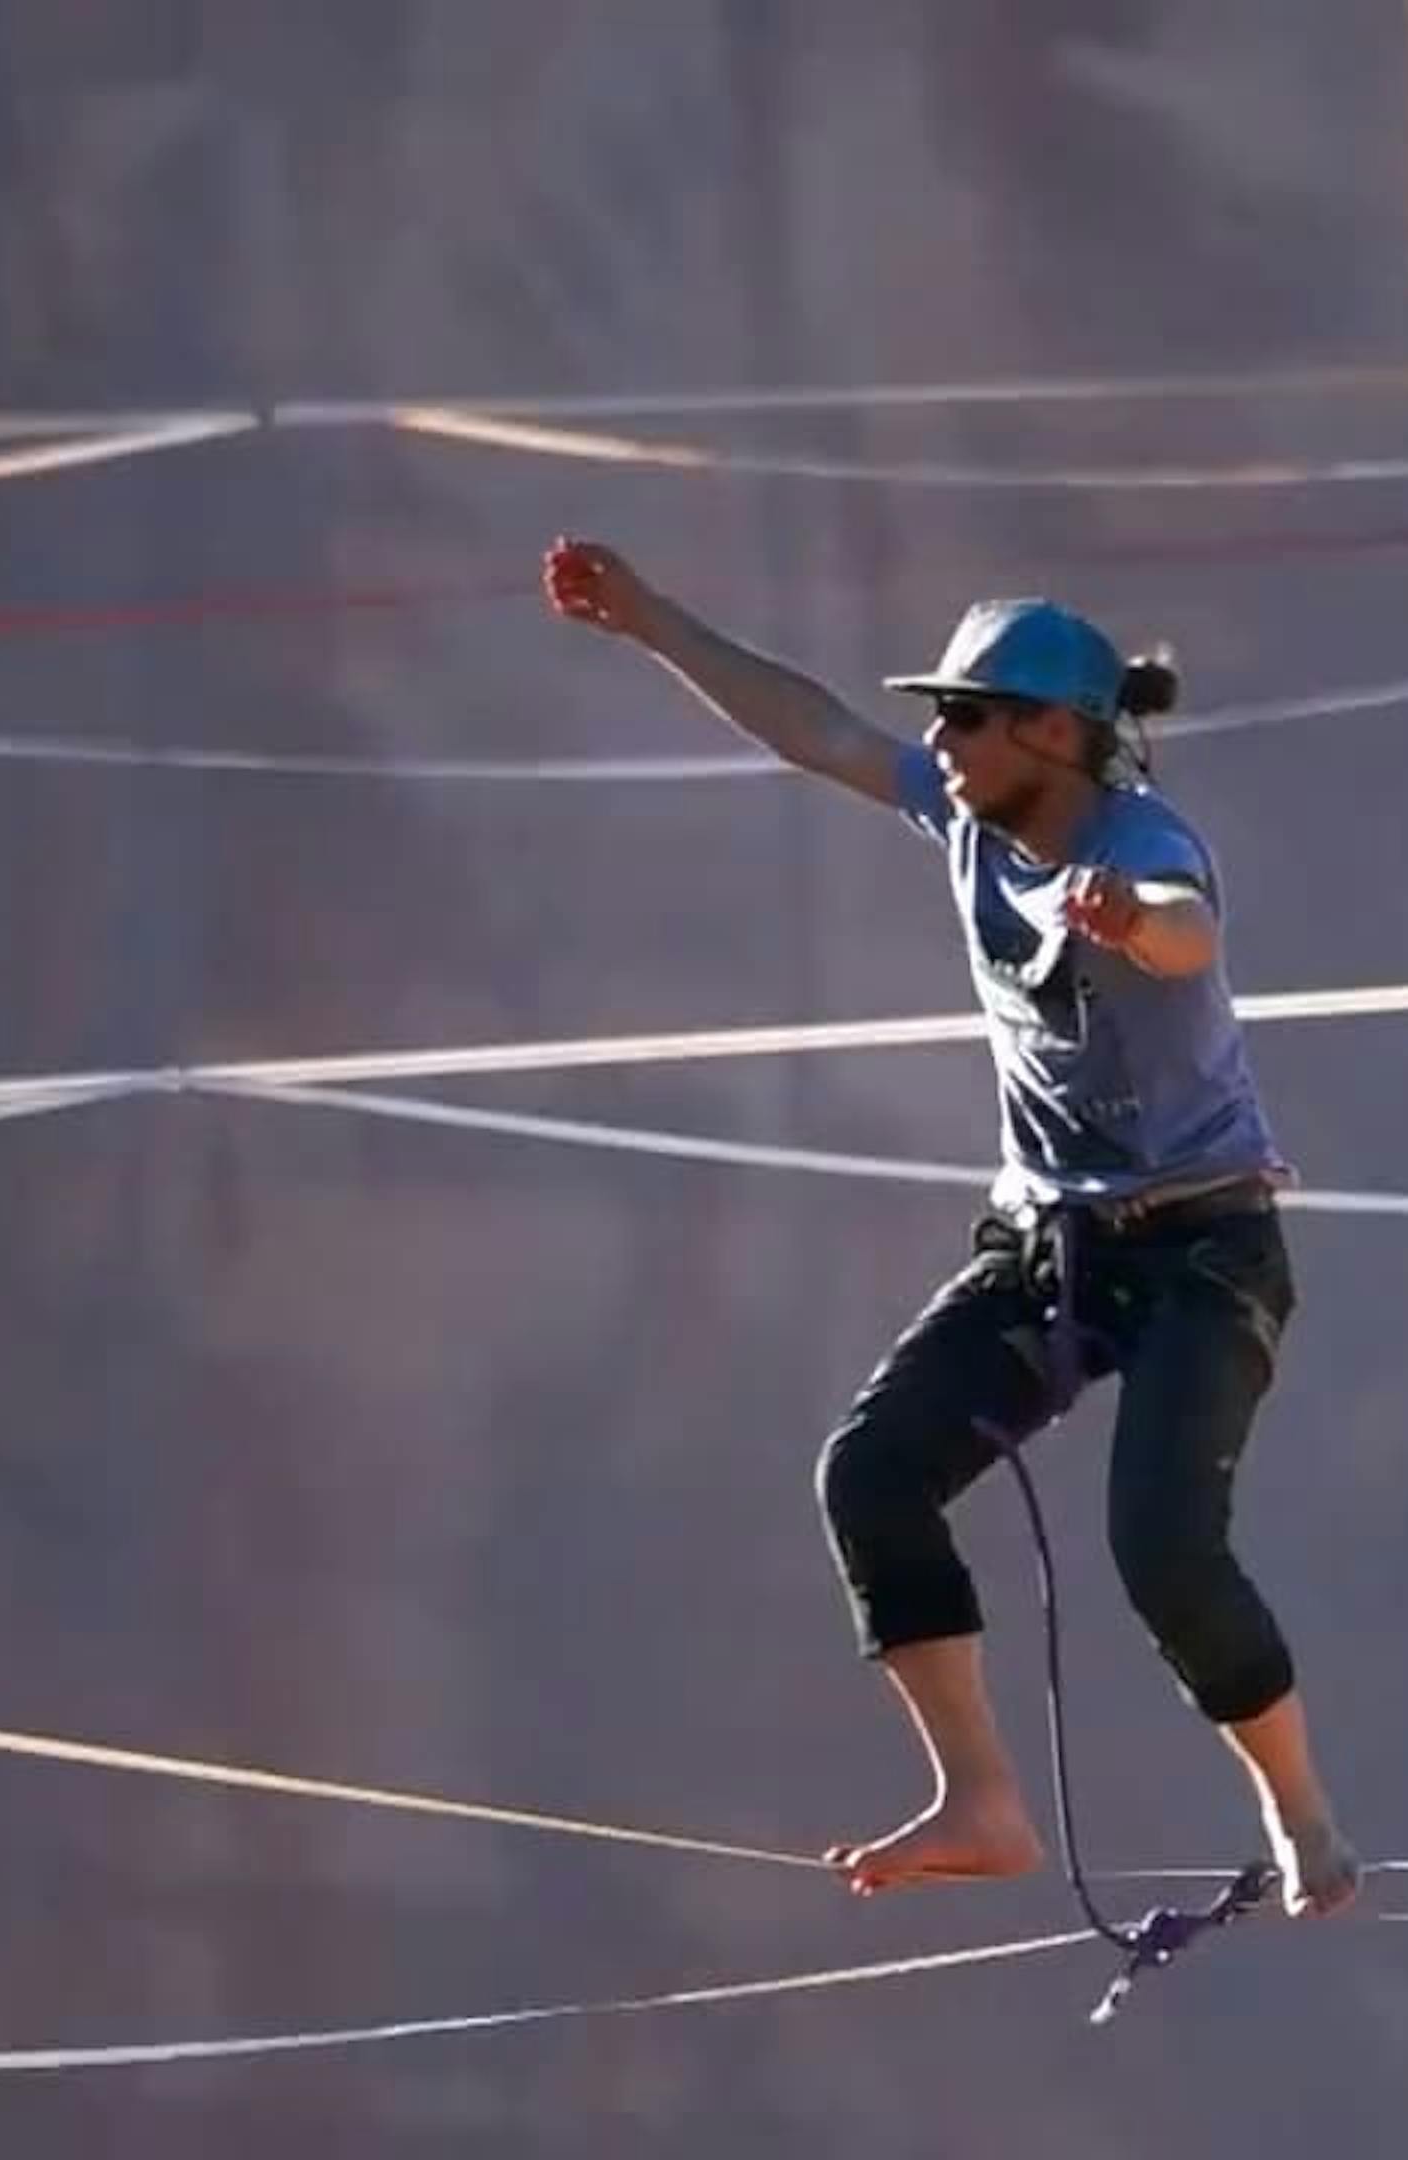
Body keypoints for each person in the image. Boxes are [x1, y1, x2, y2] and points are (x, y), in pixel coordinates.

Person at [540, 536, 1360, 1919]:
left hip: (1205, 1251)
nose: (941, 738)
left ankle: (1301, 1814)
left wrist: (1131, 923)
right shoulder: (970, 817)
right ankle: (980, 1800)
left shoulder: (1140, 844)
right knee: (868, 1474)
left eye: (967, 717)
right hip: (1056, 1253)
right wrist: (650, 622)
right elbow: (819, 729)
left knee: (1163, 1546)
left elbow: (1185, 933)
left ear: (1054, 733)